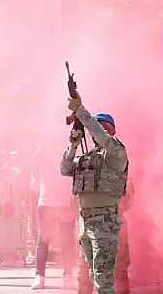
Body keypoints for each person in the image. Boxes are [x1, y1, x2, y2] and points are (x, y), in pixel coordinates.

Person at [61, 92, 129, 294]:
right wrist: (73, 145)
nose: (96, 132)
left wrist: (81, 111)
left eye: (103, 127)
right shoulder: (88, 158)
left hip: (104, 222)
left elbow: (101, 135)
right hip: (86, 222)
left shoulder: (117, 152)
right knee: (92, 274)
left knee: (103, 278)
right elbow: (65, 169)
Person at [30, 146, 76, 290]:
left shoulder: (70, 154)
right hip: (46, 203)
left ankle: (68, 275)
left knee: (67, 241)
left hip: (65, 203)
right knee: (43, 240)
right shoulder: (43, 153)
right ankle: (40, 276)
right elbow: (34, 167)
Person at [78, 178, 135, 294]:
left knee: (115, 269)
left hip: (102, 224)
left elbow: (128, 197)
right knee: (91, 268)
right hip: (107, 224)